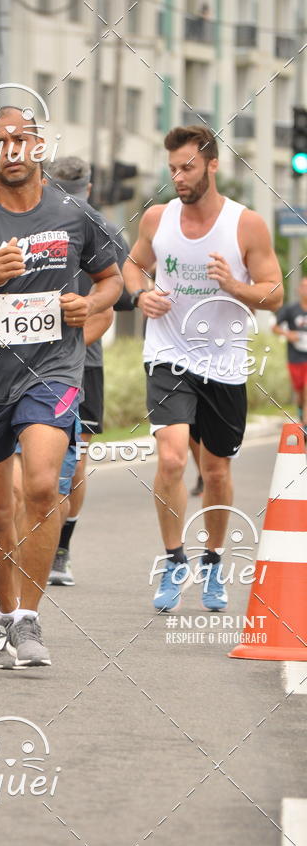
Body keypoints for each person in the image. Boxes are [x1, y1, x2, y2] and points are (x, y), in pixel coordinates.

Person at [0, 106, 123, 668]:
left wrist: (88, 304)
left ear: (38, 146)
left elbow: (112, 278)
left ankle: (29, 619)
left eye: (21, 139)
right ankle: (5, 614)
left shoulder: (73, 214)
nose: (11, 149)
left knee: (43, 487)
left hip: (54, 372)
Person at [123, 125, 282, 613]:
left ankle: (212, 561)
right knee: (171, 459)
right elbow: (132, 265)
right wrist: (140, 293)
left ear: (212, 165)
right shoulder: (157, 217)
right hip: (169, 353)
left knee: (215, 470)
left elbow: (274, 292)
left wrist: (234, 285)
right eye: (173, 168)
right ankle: (174, 560)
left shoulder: (246, 224)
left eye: (188, 166)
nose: (179, 176)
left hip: (225, 361)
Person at [42, 156, 132, 586]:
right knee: (49, 459)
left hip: (83, 362)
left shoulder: (104, 231)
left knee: (71, 457)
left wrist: (70, 346)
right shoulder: (32, 226)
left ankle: (60, 549)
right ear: (91, 187)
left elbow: (119, 295)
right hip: (26, 359)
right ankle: (44, 543)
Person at [273, 275, 307, 432]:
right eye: (303, 286)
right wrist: (289, 335)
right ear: (298, 289)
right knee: (300, 395)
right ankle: (302, 416)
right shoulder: (290, 309)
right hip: (295, 358)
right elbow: (275, 327)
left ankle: (305, 426)